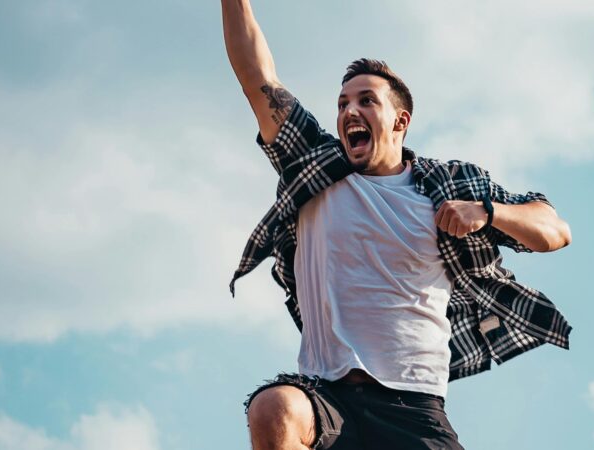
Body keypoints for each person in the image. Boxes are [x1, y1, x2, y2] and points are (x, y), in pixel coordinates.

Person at [222, 1, 573, 448]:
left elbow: (554, 231)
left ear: (400, 120)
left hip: (414, 406)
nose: (350, 111)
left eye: (366, 101)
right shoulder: (313, 163)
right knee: (275, 409)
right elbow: (259, 80)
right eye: (343, 103)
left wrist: (485, 211)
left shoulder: (447, 185)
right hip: (326, 396)